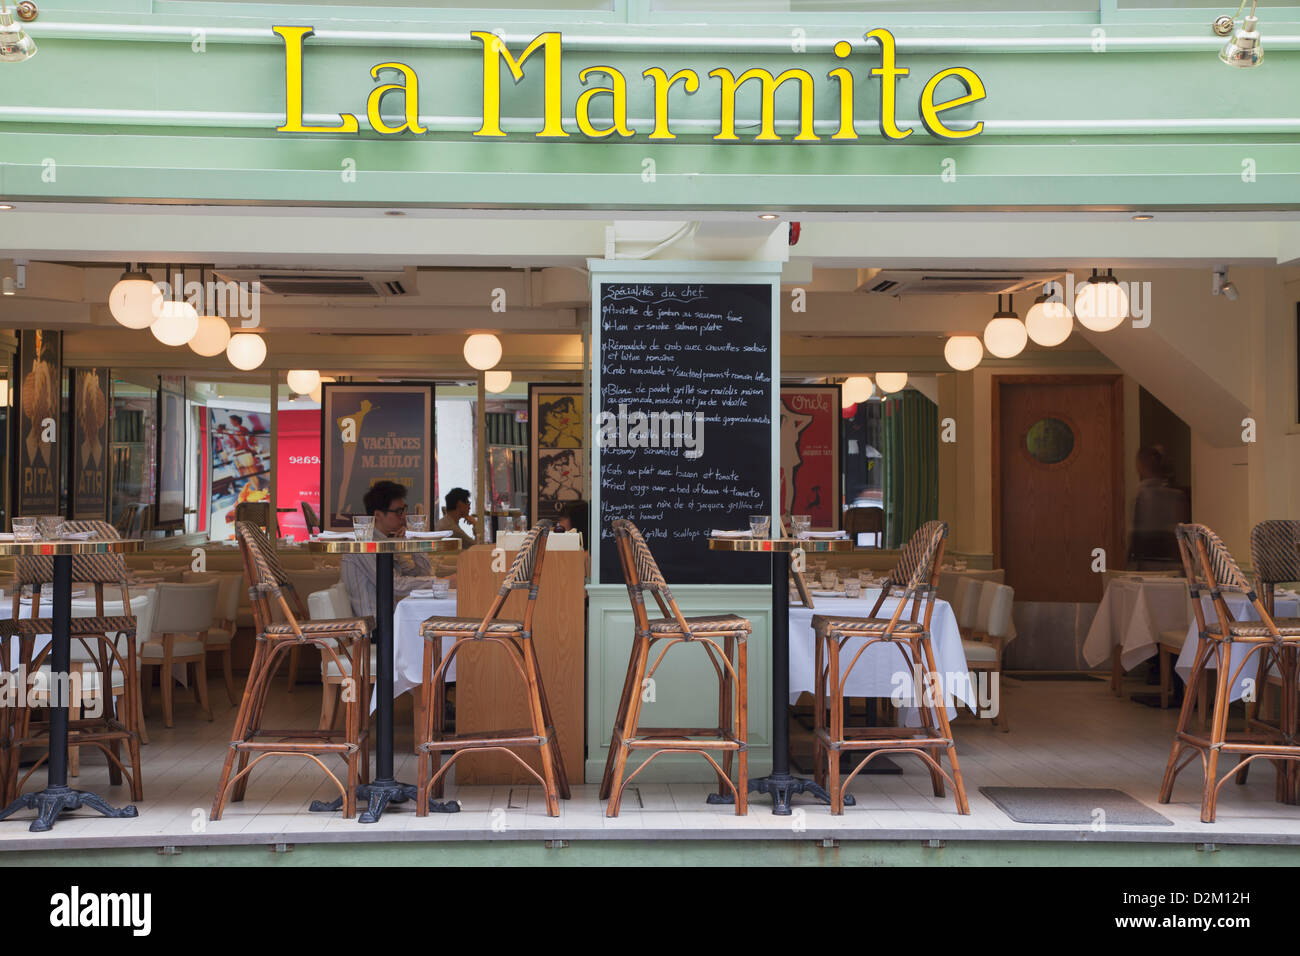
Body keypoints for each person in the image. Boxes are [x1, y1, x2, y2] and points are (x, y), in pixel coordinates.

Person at [341, 480, 435, 618]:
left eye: (404, 510)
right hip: (373, 626)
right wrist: (439, 582)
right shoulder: (362, 543)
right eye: (398, 511)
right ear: (378, 515)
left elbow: (423, 573)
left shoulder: (387, 541)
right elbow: (395, 585)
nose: (404, 516)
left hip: (391, 619)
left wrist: (414, 538)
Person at [1127, 445, 1190, 571]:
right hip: (1174, 561)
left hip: (1150, 561)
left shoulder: (1143, 495)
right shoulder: (1177, 494)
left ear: (1141, 467)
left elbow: (1139, 535)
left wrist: (1131, 561)